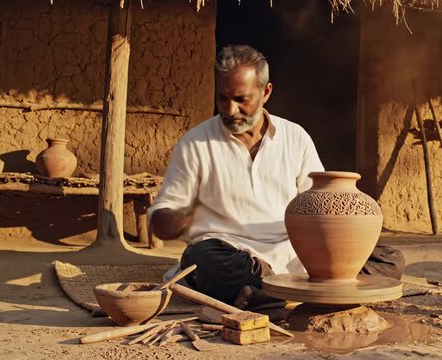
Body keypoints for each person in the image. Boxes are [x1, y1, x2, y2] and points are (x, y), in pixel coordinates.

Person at [148, 44, 404, 309]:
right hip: (231, 254)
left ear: (266, 92)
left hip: (296, 251)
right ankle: (287, 288)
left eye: (241, 99)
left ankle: (269, 292)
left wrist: (335, 241)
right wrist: (169, 219)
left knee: (388, 258)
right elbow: (163, 214)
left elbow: (318, 200)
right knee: (200, 259)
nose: (230, 109)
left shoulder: (295, 137)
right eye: (223, 99)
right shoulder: (195, 143)